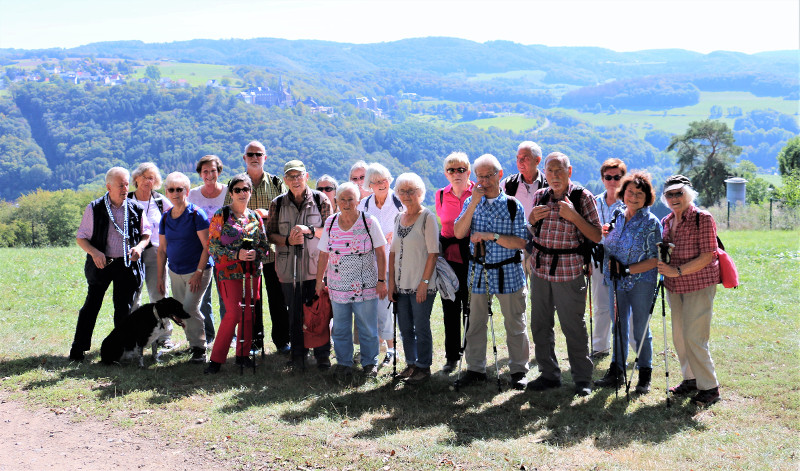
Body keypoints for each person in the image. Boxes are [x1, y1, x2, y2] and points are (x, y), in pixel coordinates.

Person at [453, 154, 531, 390]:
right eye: (480, 176)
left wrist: (491, 237)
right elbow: (458, 232)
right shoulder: (470, 202)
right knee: (474, 323)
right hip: (479, 271)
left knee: (515, 323)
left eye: (488, 176)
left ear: (499, 175)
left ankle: (519, 370)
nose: (484, 181)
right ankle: (475, 369)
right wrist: (473, 204)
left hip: (508, 271)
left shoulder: (512, 205)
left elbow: (520, 242)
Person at [527, 152, 601, 397]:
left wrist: (574, 216)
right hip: (540, 269)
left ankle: (582, 379)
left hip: (569, 270)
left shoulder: (583, 197)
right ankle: (549, 375)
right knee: (540, 325)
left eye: (560, 170)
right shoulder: (540, 195)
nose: (555, 176)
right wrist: (531, 218)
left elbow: (597, 236)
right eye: (550, 171)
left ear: (569, 171)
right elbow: (532, 230)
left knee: (573, 327)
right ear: (544, 173)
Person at [69, 167, 151, 361]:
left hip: (126, 265)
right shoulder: (95, 208)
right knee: (91, 306)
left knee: (123, 309)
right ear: (108, 187)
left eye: (126, 184)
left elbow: (146, 234)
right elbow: (81, 238)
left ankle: (117, 352)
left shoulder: (135, 207)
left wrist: (139, 247)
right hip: (101, 264)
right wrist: (94, 252)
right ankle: (78, 349)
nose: (125, 188)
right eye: (120, 185)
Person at [594, 171, 662, 394]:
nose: (634, 197)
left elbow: (655, 259)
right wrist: (605, 237)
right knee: (619, 326)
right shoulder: (617, 215)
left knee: (640, 328)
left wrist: (627, 269)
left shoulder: (652, 223)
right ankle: (617, 371)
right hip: (616, 281)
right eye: (630, 192)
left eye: (639, 193)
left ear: (647, 197)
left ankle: (644, 375)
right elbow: (611, 243)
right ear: (623, 193)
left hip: (641, 281)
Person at [657, 175, 722, 407]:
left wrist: (678, 271)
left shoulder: (702, 218)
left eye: (679, 193)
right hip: (674, 286)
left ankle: (710, 387)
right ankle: (691, 379)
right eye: (669, 194)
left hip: (699, 283)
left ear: (689, 194)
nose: (674, 198)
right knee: (679, 336)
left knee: (695, 337)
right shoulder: (666, 221)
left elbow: (708, 255)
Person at [316, 182, 388, 380]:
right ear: (336, 201)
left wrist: (382, 280)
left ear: (358, 201)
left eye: (351, 199)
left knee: (367, 327)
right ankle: (344, 363)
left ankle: (369, 363)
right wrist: (319, 280)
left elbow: (381, 253)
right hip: (338, 286)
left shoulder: (369, 221)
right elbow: (323, 254)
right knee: (340, 328)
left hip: (365, 286)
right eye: (343, 199)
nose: (347, 203)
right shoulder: (330, 222)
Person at [266, 160, 333, 370]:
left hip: (315, 268)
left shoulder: (321, 200)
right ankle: (298, 354)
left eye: (299, 176)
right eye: (291, 176)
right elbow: (270, 234)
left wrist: (309, 230)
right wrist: (287, 240)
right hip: (288, 270)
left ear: (306, 176)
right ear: (285, 180)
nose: (295, 180)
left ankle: (322, 355)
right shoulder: (277, 203)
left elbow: (330, 232)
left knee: (318, 311)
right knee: (294, 312)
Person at [224, 141, 288, 354]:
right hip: (248, 255)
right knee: (252, 301)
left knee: (278, 299)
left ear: (265, 158)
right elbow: (227, 215)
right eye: (250, 154)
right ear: (244, 158)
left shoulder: (278, 183)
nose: (254, 157)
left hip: (273, 251)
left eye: (258, 154)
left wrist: (266, 215)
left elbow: (286, 214)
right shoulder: (235, 183)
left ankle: (282, 341)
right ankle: (254, 342)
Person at [206, 174, 270, 374]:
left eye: (246, 189)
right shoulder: (221, 215)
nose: (242, 193)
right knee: (234, 313)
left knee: (249, 313)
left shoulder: (255, 217)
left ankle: (243, 356)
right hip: (229, 273)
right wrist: (236, 253)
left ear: (250, 192)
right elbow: (212, 246)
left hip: (252, 273)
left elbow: (265, 246)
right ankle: (216, 359)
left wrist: (255, 254)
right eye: (238, 190)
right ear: (231, 193)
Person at [157, 172, 214, 364]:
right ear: (166, 192)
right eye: (171, 190)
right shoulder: (165, 217)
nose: (175, 193)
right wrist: (160, 278)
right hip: (175, 271)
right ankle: (192, 344)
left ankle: (200, 348)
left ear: (187, 191)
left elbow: (207, 246)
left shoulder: (197, 214)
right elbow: (162, 250)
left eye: (179, 189)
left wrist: (198, 273)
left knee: (190, 308)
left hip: (198, 270)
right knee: (181, 311)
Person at [388, 173, 439, 384]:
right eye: (402, 191)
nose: (407, 195)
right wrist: (390, 282)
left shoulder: (428, 217)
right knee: (405, 328)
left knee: (421, 326)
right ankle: (411, 364)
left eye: (411, 191)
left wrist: (424, 284)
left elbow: (433, 253)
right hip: (401, 285)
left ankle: (424, 367)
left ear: (420, 193)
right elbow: (392, 252)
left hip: (421, 285)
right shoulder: (398, 217)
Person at [358, 162, 403, 366]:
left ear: (389, 180)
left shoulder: (399, 201)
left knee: (388, 308)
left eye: (383, 180)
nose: (380, 184)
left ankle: (392, 349)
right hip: (370, 264)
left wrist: (394, 236)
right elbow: (358, 232)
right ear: (369, 185)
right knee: (373, 309)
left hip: (395, 264)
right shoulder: (364, 205)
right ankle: (379, 349)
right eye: (375, 181)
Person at [434, 152, 475, 373]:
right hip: (449, 260)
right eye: (452, 170)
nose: (456, 173)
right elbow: (443, 227)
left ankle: (471, 356)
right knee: (450, 308)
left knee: (472, 308)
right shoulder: (440, 195)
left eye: (461, 169)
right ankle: (452, 357)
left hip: (473, 257)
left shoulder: (478, 192)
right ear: (446, 174)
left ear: (469, 171)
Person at [129, 162, 174, 348]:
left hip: (157, 253)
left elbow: (175, 218)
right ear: (136, 179)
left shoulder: (160, 201)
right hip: (132, 255)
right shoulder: (127, 199)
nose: (149, 181)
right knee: (133, 298)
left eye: (152, 178)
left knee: (159, 296)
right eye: (145, 177)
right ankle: (135, 337)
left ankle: (165, 337)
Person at [188, 154, 228, 344]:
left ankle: (229, 335)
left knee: (226, 295)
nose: (209, 174)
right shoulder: (193, 194)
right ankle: (209, 336)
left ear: (219, 172)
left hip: (225, 251)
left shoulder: (228, 191)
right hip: (200, 251)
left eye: (213, 170)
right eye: (205, 171)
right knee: (204, 297)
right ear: (200, 173)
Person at [590, 158, 627, 358]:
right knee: (601, 304)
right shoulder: (593, 202)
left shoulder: (631, 203)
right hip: (598, 258)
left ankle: (627, 347)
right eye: (608, 177)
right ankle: (600, 347)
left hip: (623, 260)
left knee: (624, 306)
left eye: (617, 177)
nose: (612, 181)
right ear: (603, 179)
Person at [499, 141, 548, 220]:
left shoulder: (548, 186)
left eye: (525, 158)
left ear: (537, 160)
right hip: (513, 232)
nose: (520, 162)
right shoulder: (507, 184)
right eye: (518, 158)